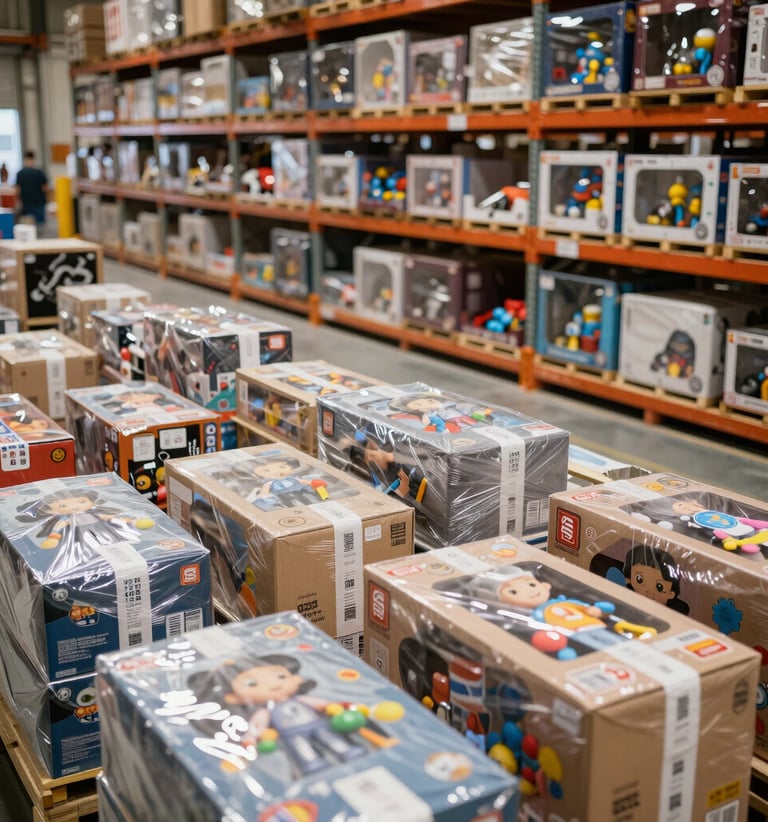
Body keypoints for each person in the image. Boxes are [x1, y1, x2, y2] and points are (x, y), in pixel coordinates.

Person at [14, 150, 49, 228]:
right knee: (40, 225)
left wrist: (17, 201)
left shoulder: (20, 173)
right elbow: (45, 188)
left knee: (27, 226)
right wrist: (48, 199)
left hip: (26, 204)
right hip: (39, 203)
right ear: (33, 159)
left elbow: (17, 190)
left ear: (25, 159)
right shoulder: (39, 173)